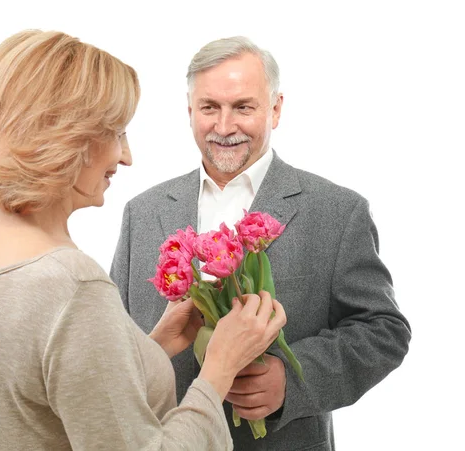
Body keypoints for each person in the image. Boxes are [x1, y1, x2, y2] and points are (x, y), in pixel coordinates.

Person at [0, 30, 289, 451]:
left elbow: (49, 397)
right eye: (116, 133)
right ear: (68, 138)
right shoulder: (71, 284)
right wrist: (218, 370)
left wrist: (150, 347)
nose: (126, 156)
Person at [110, 36, 412, 450]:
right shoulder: (140, 212)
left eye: (243, 107)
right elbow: (116, 344)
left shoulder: (338, 210)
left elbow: (384, 331)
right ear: (189, 111)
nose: (224, 126)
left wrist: (293, 377)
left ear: (275, 109)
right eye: (209, 107)